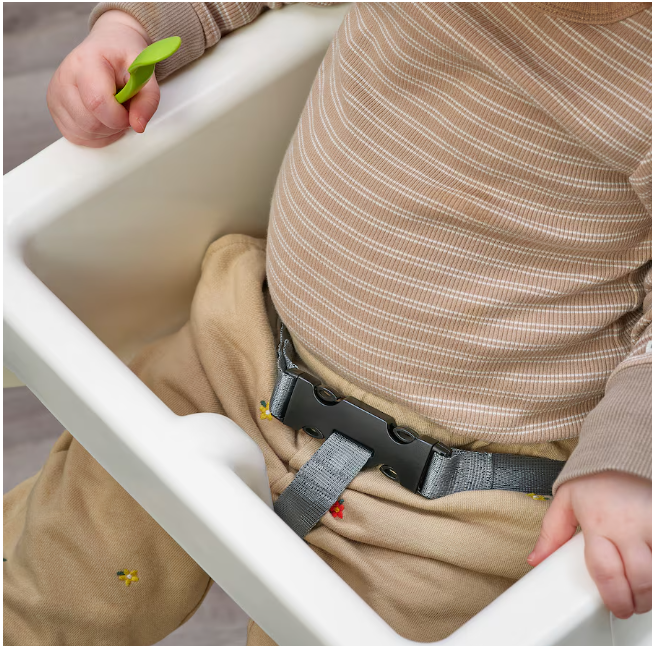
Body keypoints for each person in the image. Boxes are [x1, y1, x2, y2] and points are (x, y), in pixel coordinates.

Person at [5, 3, 652, 645]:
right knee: (60, 572)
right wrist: (134, 30)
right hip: (239, 352)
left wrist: (627, 459)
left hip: (459, 508)